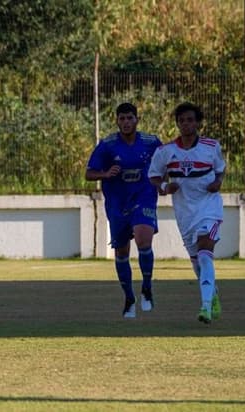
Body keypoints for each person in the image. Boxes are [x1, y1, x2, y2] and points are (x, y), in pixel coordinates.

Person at [148, 102, 224, 324]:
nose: (186, 124)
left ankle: (206, 307)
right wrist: (163, 188)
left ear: (198, 122)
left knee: (204, 251)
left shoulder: (211, 147)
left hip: (209, 208)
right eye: (182, 120)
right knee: (197, 263)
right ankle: (213, 295)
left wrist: (218, 182)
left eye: (190, 120)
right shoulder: (166, 152)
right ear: (177, 124)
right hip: (185, 214)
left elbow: (220, 169)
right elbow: (154, 176)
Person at [85, 103, 162, 318]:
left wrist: (163, 182)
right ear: (117, 121)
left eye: (130, 118)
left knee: (143, 240)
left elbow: (166, 162)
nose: (126, 122)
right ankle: (129, 298)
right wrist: (106, 173)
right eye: (122, 119)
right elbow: (89, 174)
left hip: (143, 197)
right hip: (118, 203)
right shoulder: (108, 145)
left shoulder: (151, 142)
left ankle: (147, 287)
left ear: (137, 120)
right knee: (121, 252)